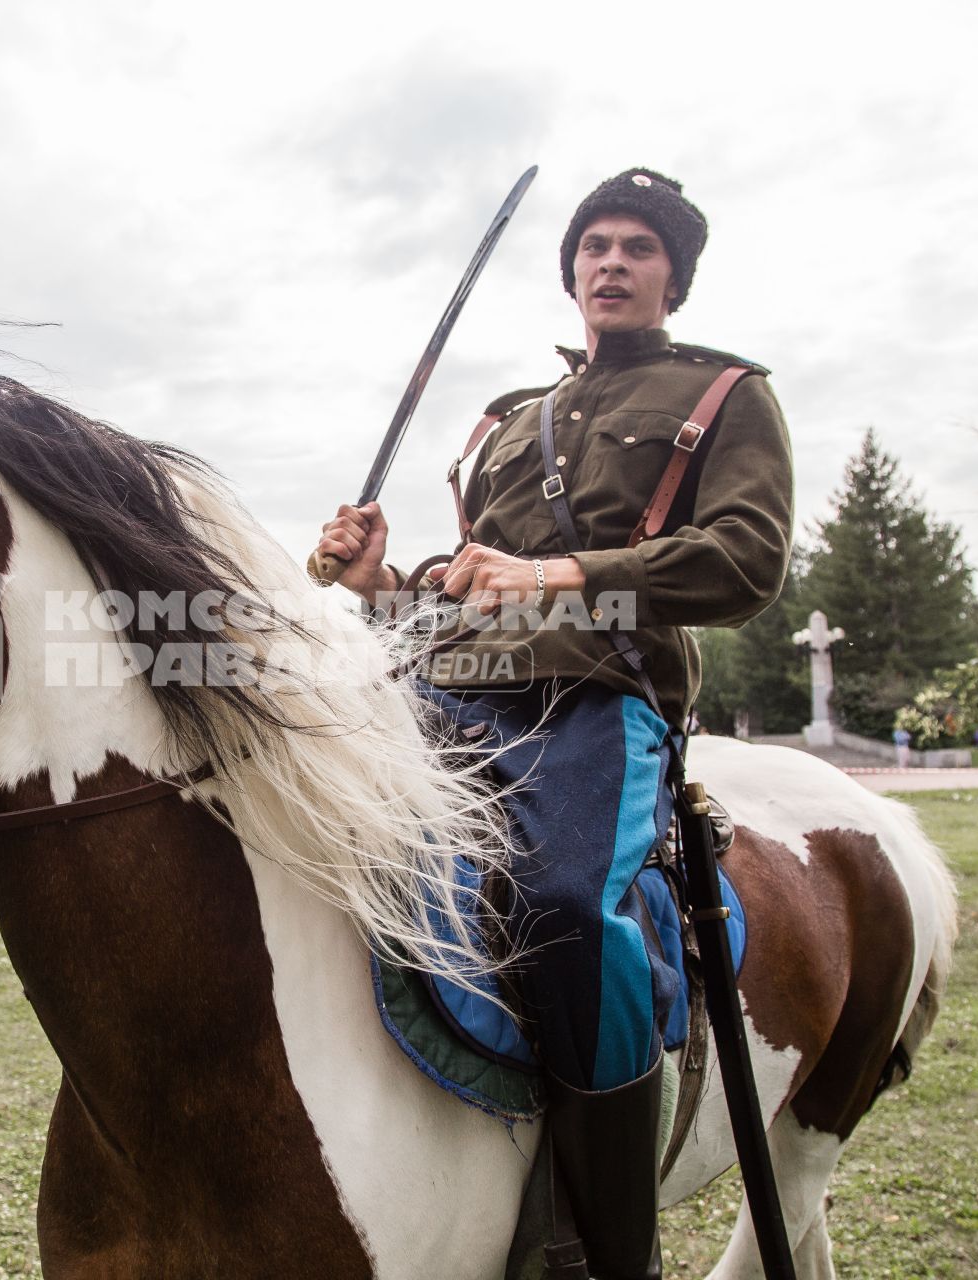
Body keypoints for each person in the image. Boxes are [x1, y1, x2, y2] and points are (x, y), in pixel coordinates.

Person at [316, 168, 794, 1279]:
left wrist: (562, 569)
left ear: (672, 274)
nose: (610, 263)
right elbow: (468, 592)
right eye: (593, 247)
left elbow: (747, 561)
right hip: (446, 693)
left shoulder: (722, 395)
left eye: (636, 247)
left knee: (568, 906)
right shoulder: (508, 423)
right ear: (572, 271)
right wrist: (385, 579)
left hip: (599, 696)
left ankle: (612, 1242)